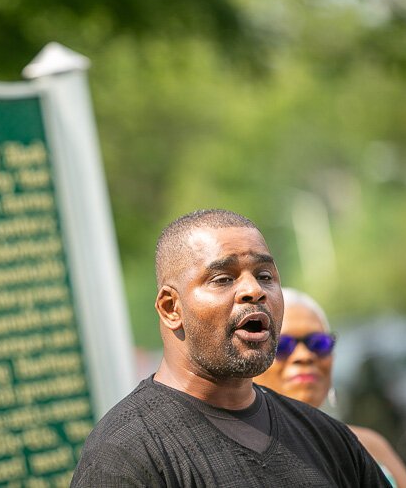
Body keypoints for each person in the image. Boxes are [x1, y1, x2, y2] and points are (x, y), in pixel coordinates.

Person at [71, 209, 389, 487]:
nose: (254, 290)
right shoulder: (128, 452)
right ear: (171, 307)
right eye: (223, 279)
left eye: (265, 276)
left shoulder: (326, 438)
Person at [253, 287, 406, 488]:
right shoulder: (240, 454)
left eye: (318, 344)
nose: (304, 356)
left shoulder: (371, 446)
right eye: (282, 345)